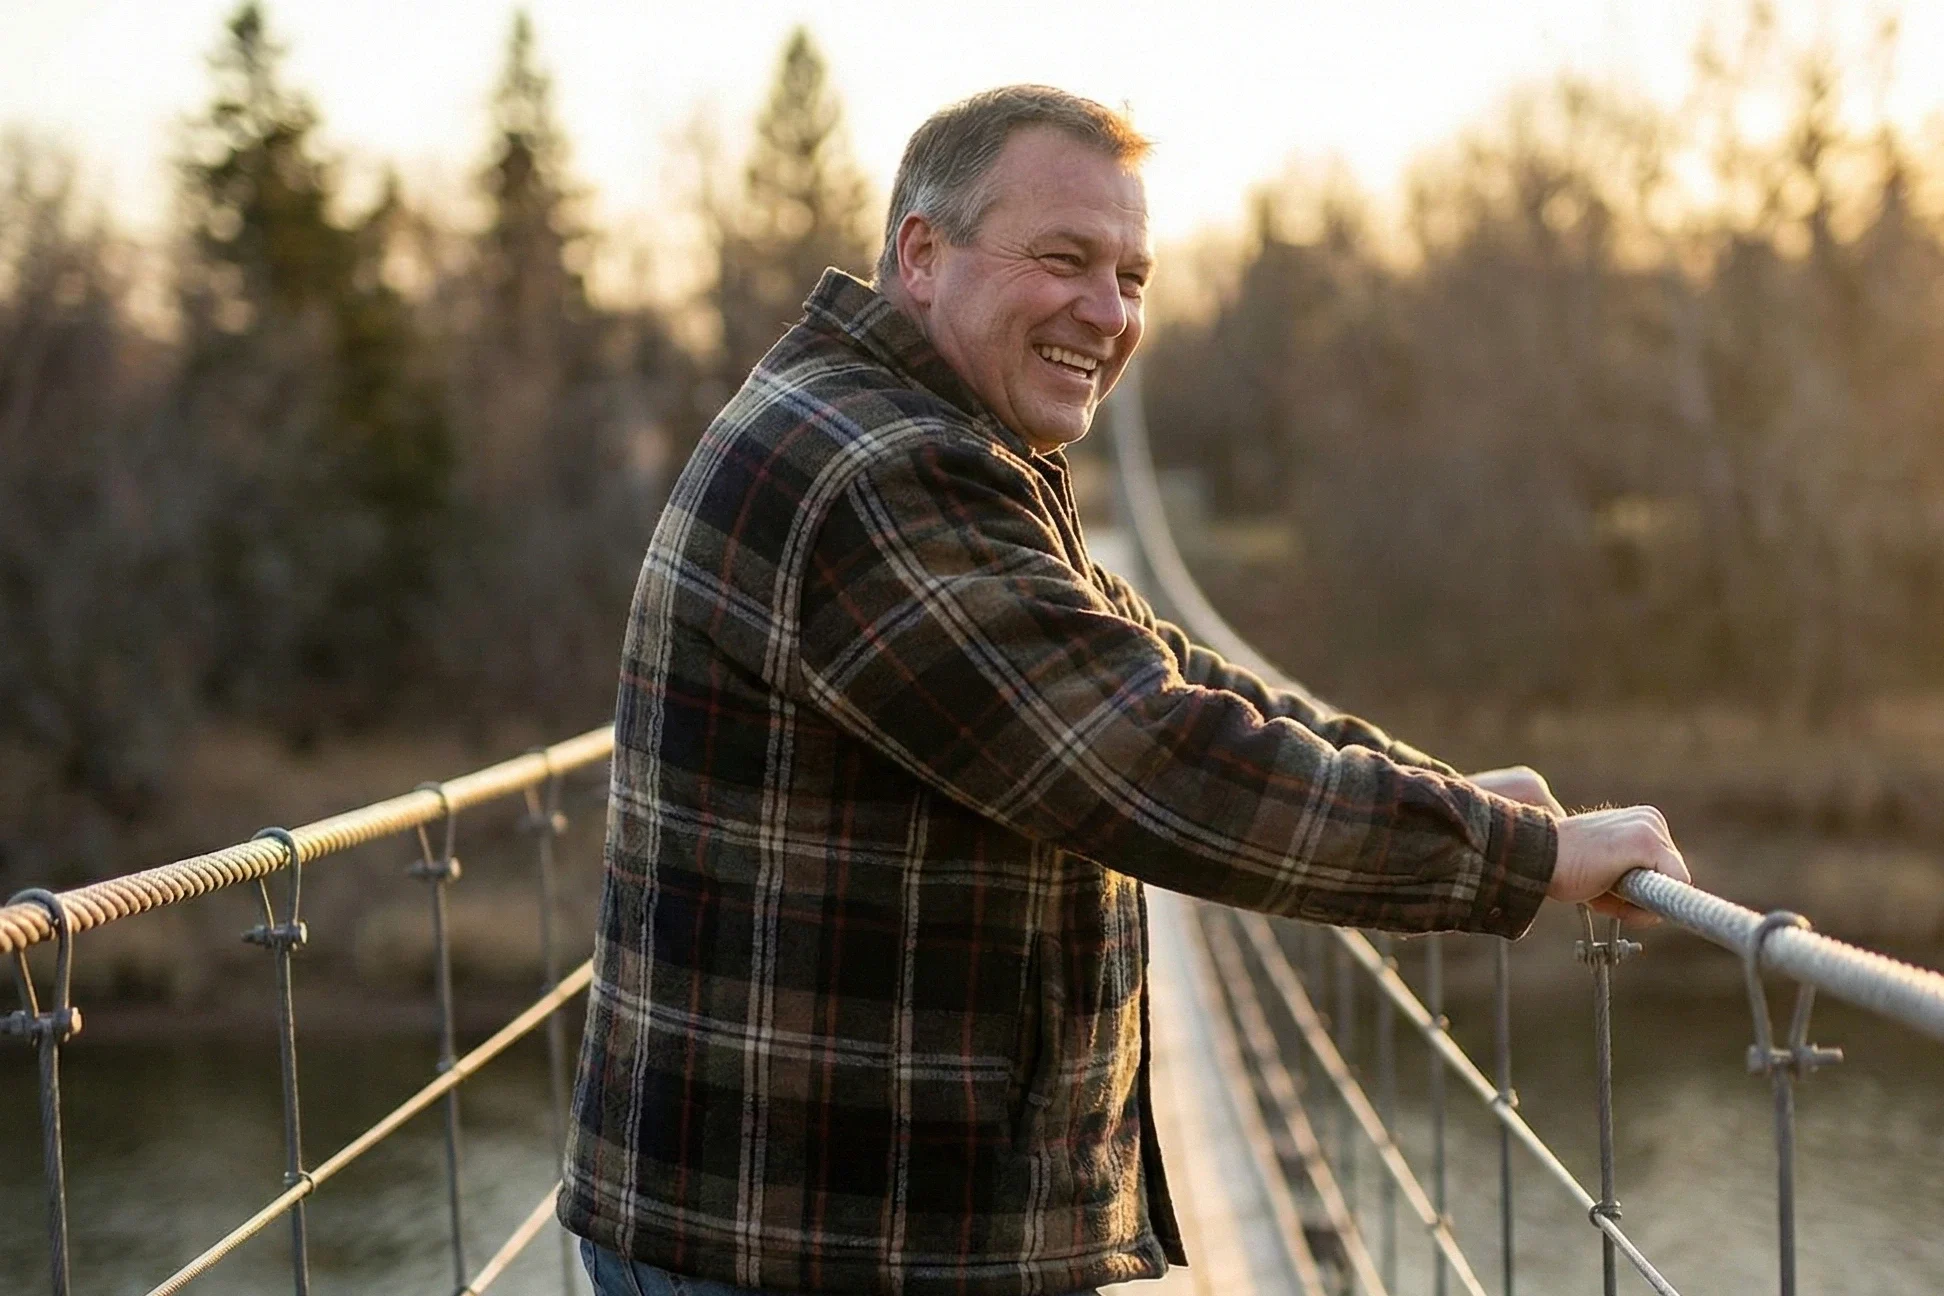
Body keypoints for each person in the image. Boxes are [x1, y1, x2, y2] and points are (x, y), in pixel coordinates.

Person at [560, 85, 1689, 1296]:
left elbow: (1160, 669)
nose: (1106, 313)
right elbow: (1154, 759)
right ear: (922, 255)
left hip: (830, 1223)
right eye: (1064, 259)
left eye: (1134, 277)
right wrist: (1520, 861)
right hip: (800, 1244)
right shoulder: (881, 473)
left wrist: (1436, 792)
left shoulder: (937, 435)